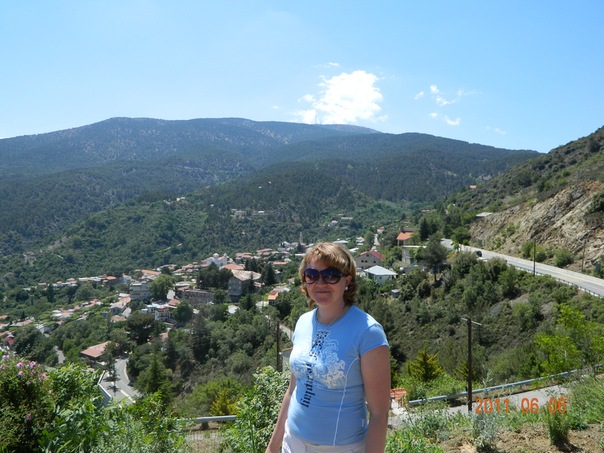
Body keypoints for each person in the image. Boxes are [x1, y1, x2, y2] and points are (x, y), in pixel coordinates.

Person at [267, 242, 390, 453]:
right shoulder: (303, 322)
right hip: (292, 442)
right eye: (312, 275)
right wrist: (272, 446)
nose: (320, 283)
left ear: (347, 281)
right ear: (305, 281)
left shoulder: (368, 332)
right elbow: (293, 390)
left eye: (331, 275)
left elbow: (379, 414)